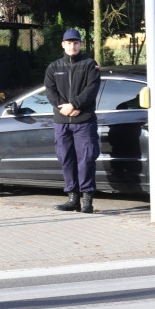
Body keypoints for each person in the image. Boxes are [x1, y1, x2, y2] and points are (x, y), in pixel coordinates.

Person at [44, 28, 101, 213]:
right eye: (69, 43)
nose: (72, 46)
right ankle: (72, 199)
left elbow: (91, 89)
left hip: (84, 121)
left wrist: (75, 105)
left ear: (81, 44)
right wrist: (64, 107)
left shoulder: (90, 65)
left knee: (86, 160)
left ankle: (87, 202)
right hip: (62, 122)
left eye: (75, 42)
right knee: (66, 159)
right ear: (63, 45)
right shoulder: (54, 67)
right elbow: (50, 91)